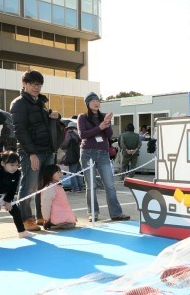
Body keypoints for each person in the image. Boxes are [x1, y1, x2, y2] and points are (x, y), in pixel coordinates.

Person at [10, 70, 61, 231]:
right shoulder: (18, 103)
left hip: (47, 150)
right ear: (24, 84)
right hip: (30, 152)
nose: (36, 87)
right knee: (29, 186)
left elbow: (46, 125)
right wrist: (31, 153)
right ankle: (26, 219)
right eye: (33, 84)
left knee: (45, 186)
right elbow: (20, 131)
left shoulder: (41, 103)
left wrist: (55, 116)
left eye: (39, 84)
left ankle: (42, 216)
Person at [78, 92, 130, 221]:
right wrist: (99, 127)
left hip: (103, 153)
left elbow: (109, 134)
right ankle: (93, 213)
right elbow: (82, 135)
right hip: (87, 153)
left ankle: (116, 213)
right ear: (87, 103)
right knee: (91, 185)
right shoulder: (82, 117)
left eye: (97, 100)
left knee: (110, 184)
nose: (96, 103)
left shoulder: (104, 116)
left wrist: (106, 123)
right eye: (92, 100)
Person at [39, 164, 77, 230]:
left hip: (62, 219)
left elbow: (46, 205)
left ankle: (56, 223)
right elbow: (46, 205)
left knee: (68, 224)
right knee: (68, 224)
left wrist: (46, 219)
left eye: (60, 171)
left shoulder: (56, 186)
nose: (61, 174)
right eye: (58, 172)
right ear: (50, 174)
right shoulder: (51, 188)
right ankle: (59, 222)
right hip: (64, 219)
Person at [60, 121, 83, 192]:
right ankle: (80, 188)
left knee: (72, 172)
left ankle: (75, 188)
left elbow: (64, 145)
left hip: (73, 155)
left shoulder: (70, 133)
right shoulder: (80, 134)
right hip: (81, 155)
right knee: (79, 172)